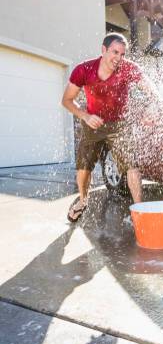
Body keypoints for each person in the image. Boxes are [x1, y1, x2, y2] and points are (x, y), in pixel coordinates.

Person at [61, 33, 152, 222]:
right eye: (115, 52)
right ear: (103, 50)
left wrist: (150, 109)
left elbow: (152, 90)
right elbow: (67, 100)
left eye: (122, 54)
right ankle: (83, 201)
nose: (118, 58)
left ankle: (139, 211)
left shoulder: (128, 68)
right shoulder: (84, 70)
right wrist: (85, 116)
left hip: (120, 124)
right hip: (93, 123)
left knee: (131, 166)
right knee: (84, 167)